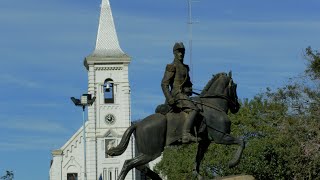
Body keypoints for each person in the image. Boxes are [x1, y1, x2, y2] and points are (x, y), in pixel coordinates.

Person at [161, 42, 200, 143]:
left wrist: (189, 88)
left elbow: (188, 83)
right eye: (178, 52)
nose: (181, 54)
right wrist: (170, 98)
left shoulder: (185, 68)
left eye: (182, 52)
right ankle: (186, 134)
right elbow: (164, 84)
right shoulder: (171, 66)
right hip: (176, 95)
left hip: (184, 95)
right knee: (194, 109)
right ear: (174, 53)